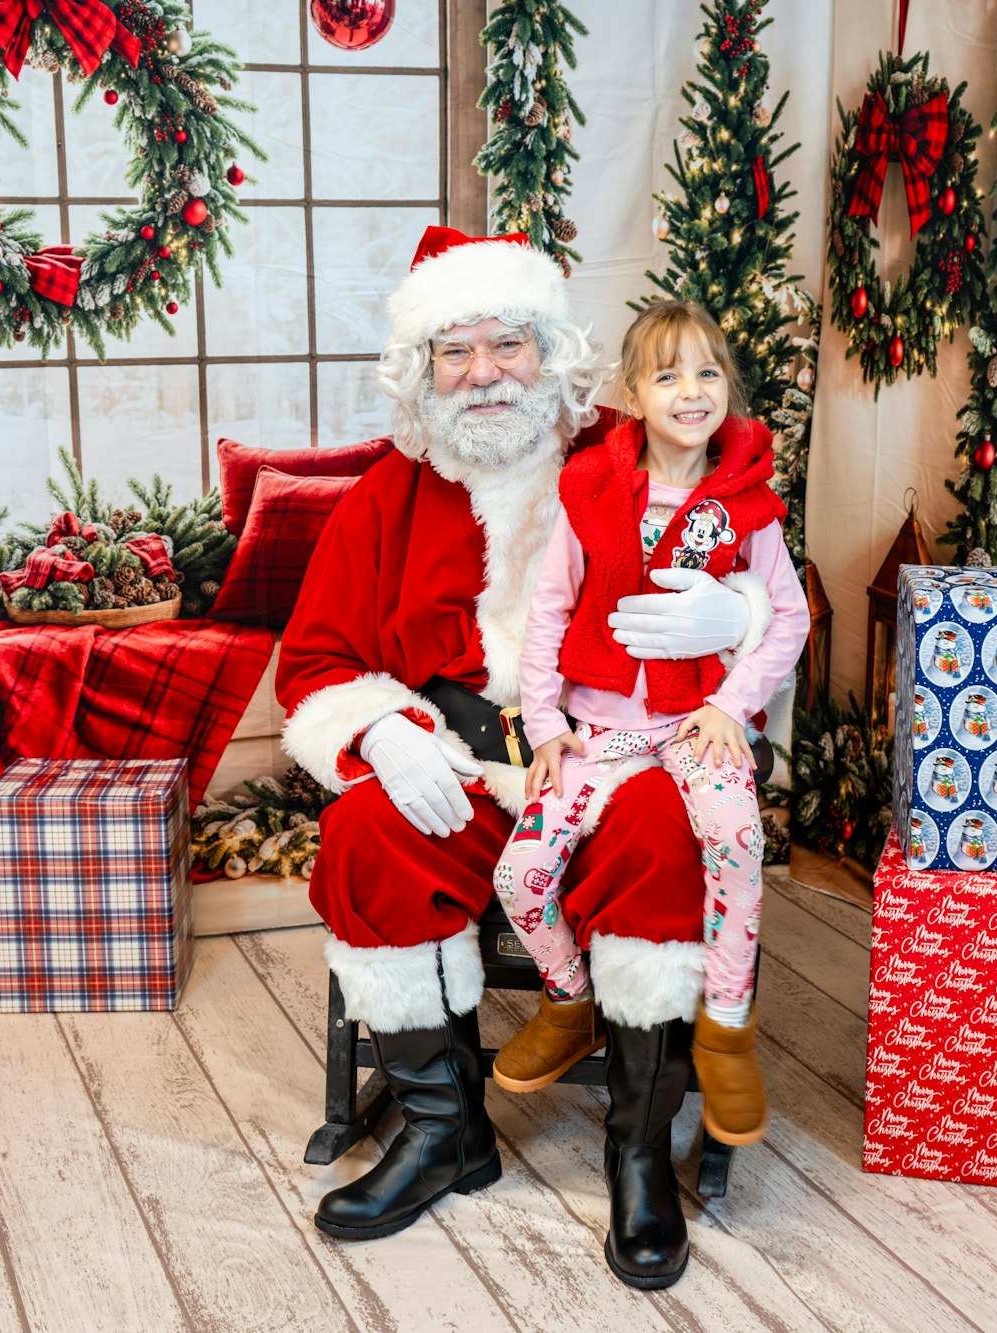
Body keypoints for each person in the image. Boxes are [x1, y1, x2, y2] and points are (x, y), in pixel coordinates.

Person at [275, 228, 776, 1289]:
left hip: (610, 755)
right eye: (454, 353)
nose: (483, 373)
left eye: (506, 343)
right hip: (453, 767)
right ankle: (441, 1128)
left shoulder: (633, 456)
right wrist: (375, 731)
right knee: (363, 831)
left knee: (657, 825)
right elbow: (316, 659)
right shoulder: (385, 494)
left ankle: (636, 1144)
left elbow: (769, 562)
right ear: (421, 373)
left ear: (551, 354)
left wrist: (722, 612)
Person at [489, 301, 810, 1152]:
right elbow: (548, 610)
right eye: (668, 373)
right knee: (519, 875)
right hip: (597, 731)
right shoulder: (593, 492)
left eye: (708, 371)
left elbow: (789, 617)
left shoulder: (746, 506)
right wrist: (548, 722)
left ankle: (727, 1027)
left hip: (692, 728)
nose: (691, 389)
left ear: (728, 390)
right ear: (634, 393)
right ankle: (570, 1001)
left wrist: (729, 704)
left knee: (739, 840)